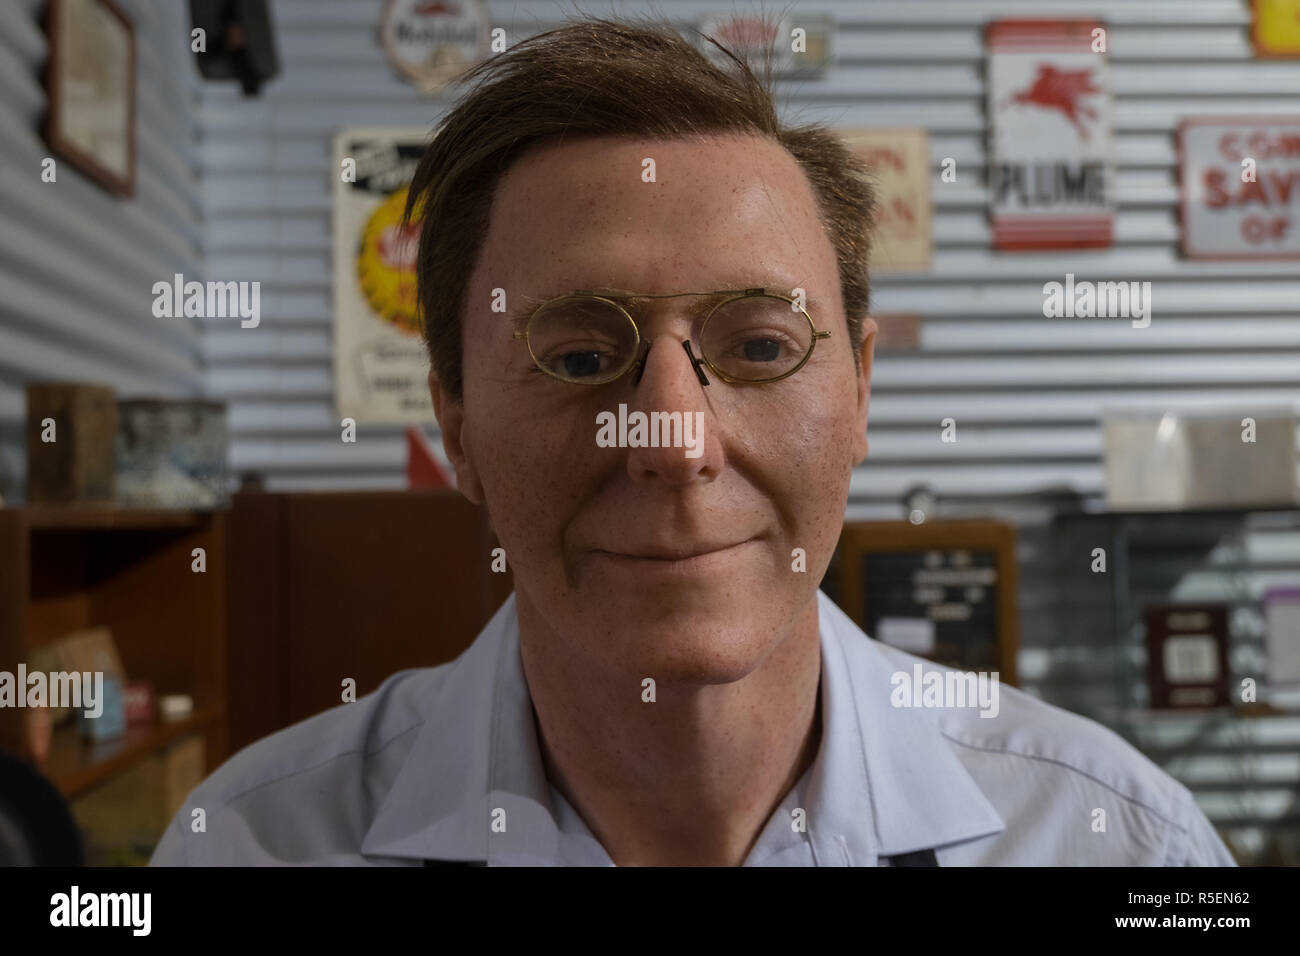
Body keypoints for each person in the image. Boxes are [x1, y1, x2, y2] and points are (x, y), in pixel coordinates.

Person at [151, 16, 1233, 867]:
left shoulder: (1122, 842)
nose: (672, 438)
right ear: (456, 425)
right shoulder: (249, 846)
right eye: (578, 356)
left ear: (857, 391)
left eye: (760, 343)